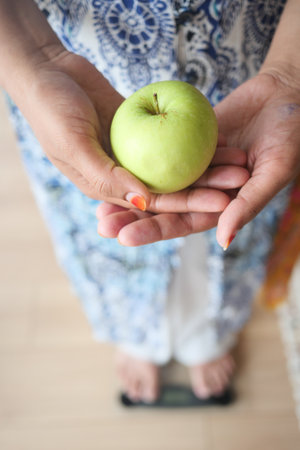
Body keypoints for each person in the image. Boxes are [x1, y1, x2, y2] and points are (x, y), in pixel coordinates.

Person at [0, 0, 299, 403]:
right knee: (114, 228)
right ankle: (136, 335)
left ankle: (207, 332)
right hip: (73, 66)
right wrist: (36, 60)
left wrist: (290, 73)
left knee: (232, 213)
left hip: (254, 62)